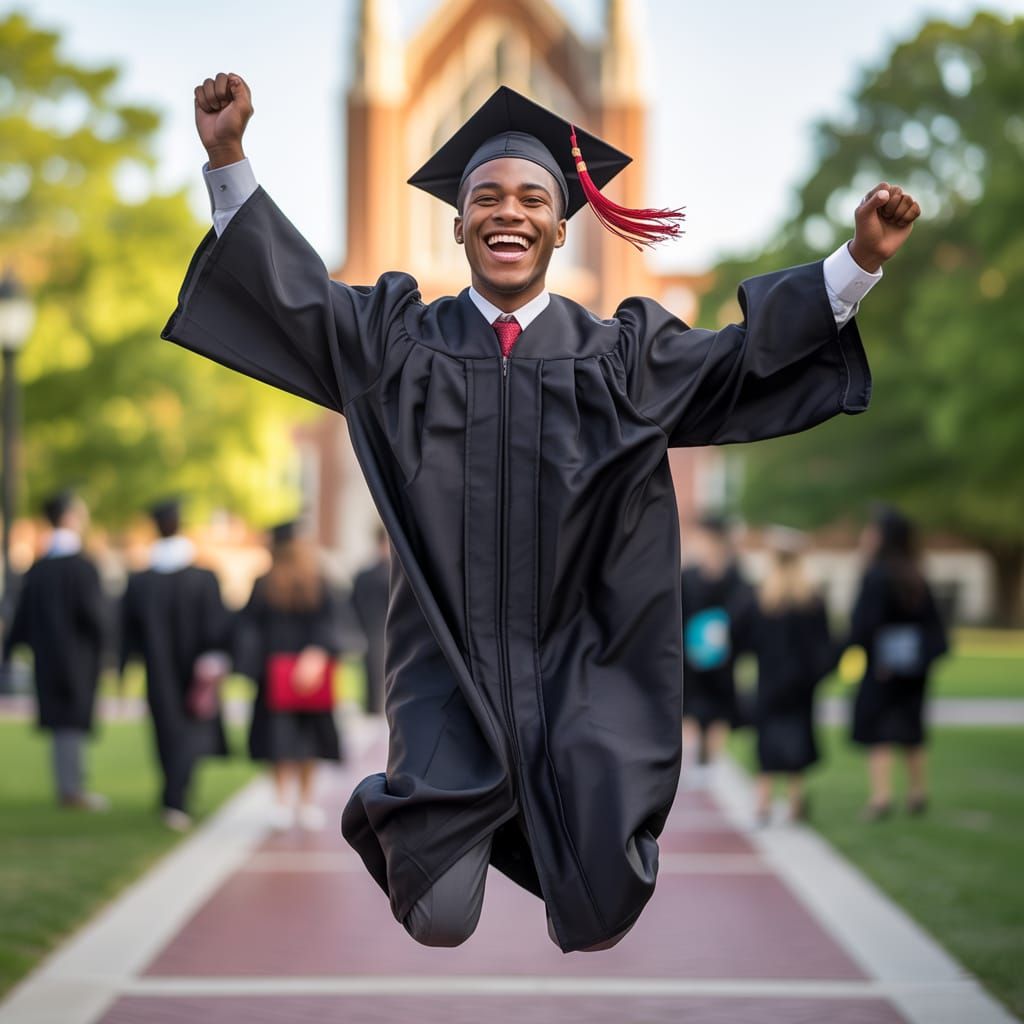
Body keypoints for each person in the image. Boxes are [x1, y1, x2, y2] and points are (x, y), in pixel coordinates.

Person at [163, 73, 920, 952]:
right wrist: (227, 158)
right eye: (485, 197)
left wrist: (857, 261)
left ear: (563, 226)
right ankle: (447, 813)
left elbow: (744, 360)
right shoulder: (400, 344)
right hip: (448, 664)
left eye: (531, 198)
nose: (507, 212)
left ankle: (532, 811)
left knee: (599, 908)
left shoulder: (623, 358)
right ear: (457, 222)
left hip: (587, 664)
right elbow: (296, 296)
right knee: (440, 918)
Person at [120, 499, 232, 830]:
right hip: (197, 668)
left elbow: (128, 631)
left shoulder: (140, 580)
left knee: (166, 730)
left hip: (159, 669)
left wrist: (125, 666)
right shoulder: (204, 577)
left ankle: (173, 794)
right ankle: (176, 796)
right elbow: (219, 625)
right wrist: (217, 655)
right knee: (190, 730)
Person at [3, 491, 109, 810]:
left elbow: (20, 617)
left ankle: (69, 784)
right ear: (68, 517)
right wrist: (108, 647)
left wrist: (10, 651)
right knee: (71, 720)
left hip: (46, 657)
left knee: (62, 722)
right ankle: (71, 789)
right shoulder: (83, 567)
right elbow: (96, 616)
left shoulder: (37, 569)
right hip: (78, 658)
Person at [236, 522, 344, 831]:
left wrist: (317, 651)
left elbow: (332, 623)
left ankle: (293, 802)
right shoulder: (265, 584)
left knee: (295, 739)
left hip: (295, 674)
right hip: (281, 677)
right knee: (287, 739)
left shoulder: (319, 583)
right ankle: (294, 802)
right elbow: (249, 627)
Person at [848, 506, 948, 820]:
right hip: (914, 668)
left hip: (884, 668)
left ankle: (882, 797)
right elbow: (934, 626)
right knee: (910, 730)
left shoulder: (877, 575)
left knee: (880, 733)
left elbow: (864, 625)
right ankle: (918, 792)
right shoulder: (916, 574)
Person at [750, 531, 835, 825]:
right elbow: (826, 645)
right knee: (798, 738)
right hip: (801, 684)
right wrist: (816, 674)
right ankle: (795, 802)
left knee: (767, 740)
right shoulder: (811, 600)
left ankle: (763, 802)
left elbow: (744, 637)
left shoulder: (762, 599)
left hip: (770, 681)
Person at [680, 515, 756, 771]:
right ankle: (691, 763)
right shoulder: (687, 577)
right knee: (689, 710)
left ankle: (712, 764)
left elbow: (745, 611)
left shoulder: (735, 577)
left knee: (719, 712)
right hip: (691, 659)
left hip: (723, 659)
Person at [351, 527, 390, 715]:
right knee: (377, 678)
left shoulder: (365, 574)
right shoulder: (386, 574)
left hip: (372, 630)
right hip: (378, 631)